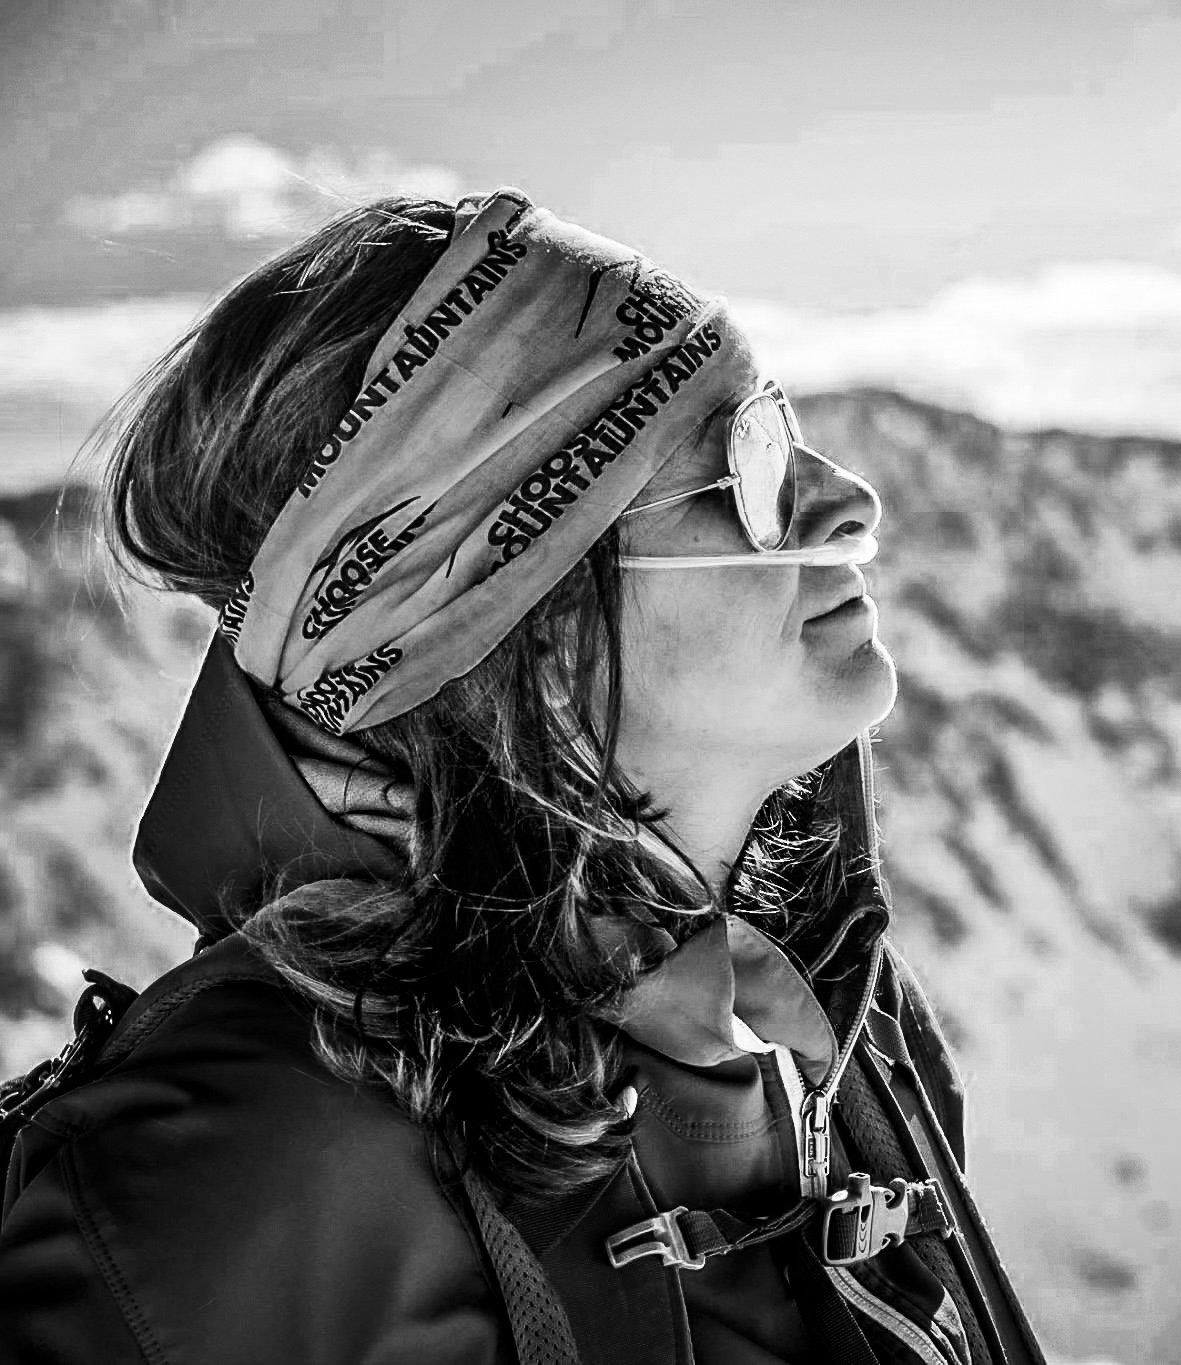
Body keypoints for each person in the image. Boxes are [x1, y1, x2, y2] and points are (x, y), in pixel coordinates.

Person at [0, 188, 1045, 1365]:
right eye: (750, 465)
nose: (847, 503)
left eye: (786, 426)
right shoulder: (234, 1184)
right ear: (533, 630)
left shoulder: (833, 1016)